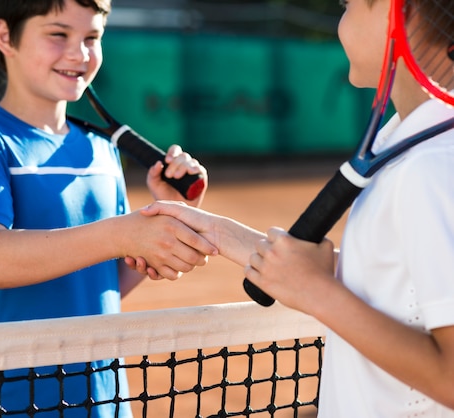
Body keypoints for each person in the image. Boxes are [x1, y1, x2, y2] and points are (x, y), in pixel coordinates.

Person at [140, 0, 454, 415]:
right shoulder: (416, 151)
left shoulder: (429, 167)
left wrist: (316, 291)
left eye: (349, 5)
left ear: (402, 13)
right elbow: (397, 286)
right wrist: (221, 235)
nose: (340, 22)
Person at [0, 0, 215, 416]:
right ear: (5, 36)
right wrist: (124, 232)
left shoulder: (101, 151)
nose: (79, 54)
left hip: (103, 399)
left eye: (92, 38)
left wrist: (166, 212)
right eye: (58, 34)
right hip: (8, 401)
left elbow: (102, 285)